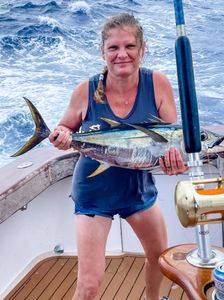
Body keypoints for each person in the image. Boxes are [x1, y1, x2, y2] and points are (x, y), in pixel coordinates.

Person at [49, 13, 187, 300]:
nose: (122, 54)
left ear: (142, 49)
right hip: (93, 193)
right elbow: (65, 127)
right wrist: (61, 135)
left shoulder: (158, 85)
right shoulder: (85, 91)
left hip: (138, 191)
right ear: (103, 52)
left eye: (130, 46)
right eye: (113, 48)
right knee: (88, 285)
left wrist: (174, 163)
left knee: (160, 261)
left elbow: (169, 143)